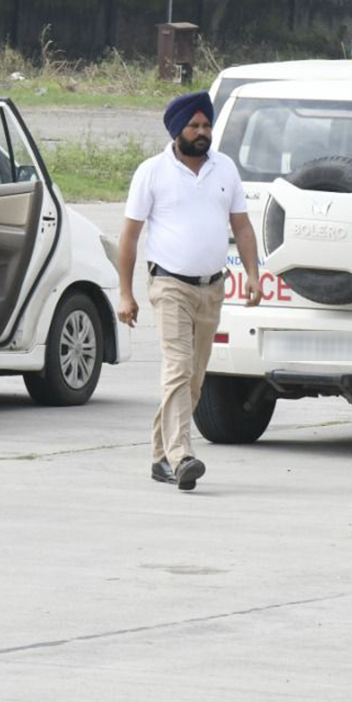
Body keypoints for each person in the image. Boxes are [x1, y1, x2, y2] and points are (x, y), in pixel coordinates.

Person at [117, 91, 261, 491]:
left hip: (212, 288)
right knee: (178, 368)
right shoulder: (151, 172)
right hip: (169, 286)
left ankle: (160, 457)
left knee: (193, 380)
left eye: (206, 125)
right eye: (194, 126)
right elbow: (129, 237)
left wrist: (252, 273)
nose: (202, 132)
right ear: (176, 130)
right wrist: (125, 294)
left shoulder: (225, 168)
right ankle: (182, 456)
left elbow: (242, 226)